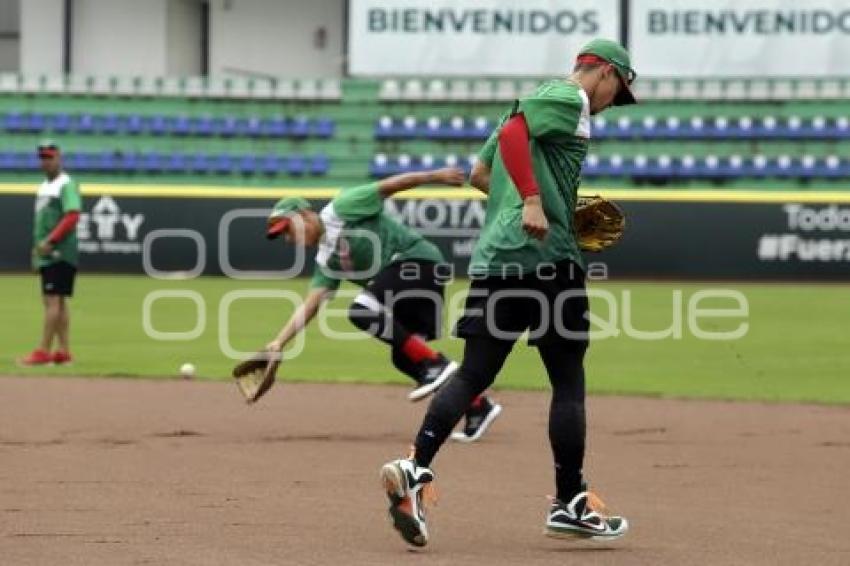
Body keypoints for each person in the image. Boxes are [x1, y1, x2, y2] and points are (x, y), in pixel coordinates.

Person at [379, 38, 638, 547]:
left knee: (476, 370)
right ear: (605, 72)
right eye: (619, 90)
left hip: (498, 256)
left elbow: (480, 173)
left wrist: (534, 201)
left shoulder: (537, 104)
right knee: (567, 379)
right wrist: (537, 202)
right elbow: (519, 133)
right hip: (547, 259)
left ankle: (415, 467)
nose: (614, 103)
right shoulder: (569, 98)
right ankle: (570, 503)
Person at [262, 167, 502, 442]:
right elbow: (312, 303)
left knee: (361, 311)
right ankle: (478, 406)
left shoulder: (341, 209)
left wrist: (436, 176)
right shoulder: (326, 260)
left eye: (288, 229)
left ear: (304, 215)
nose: (289, 238)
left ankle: (435, 364)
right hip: (410, 283)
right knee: (403, 358)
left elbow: (389, 185)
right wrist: (278, 343)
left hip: (418, 262)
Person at [19, 141, 81, 366]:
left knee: (51, 300)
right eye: (42, 157)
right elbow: (42, 223)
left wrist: (51, 241)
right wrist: (37, 251)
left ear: (59, 158)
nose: (45, 161)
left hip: (58, 251)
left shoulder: (66, 184)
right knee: (60, 302)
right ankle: (63, 352)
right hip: (49, 251)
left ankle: (43, 351)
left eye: (49, 157)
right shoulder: (44, 186)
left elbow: (72, 215)